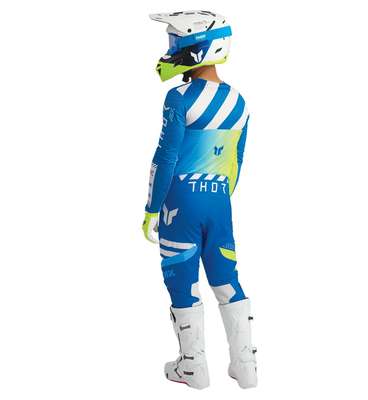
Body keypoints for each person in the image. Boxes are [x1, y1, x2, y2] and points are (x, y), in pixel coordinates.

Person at [142, 10, 257, 389]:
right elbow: (236, 162)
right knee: (226, 279)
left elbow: (166, 157)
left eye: (175, 42)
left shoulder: (179, 97)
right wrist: (218, 197)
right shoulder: (240, 102)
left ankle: (193, 368)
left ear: (197, 47)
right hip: (219, 202)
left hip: (180, 201)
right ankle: (246, 366)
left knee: (183, 281)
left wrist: (151, 208)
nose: (170, 49)